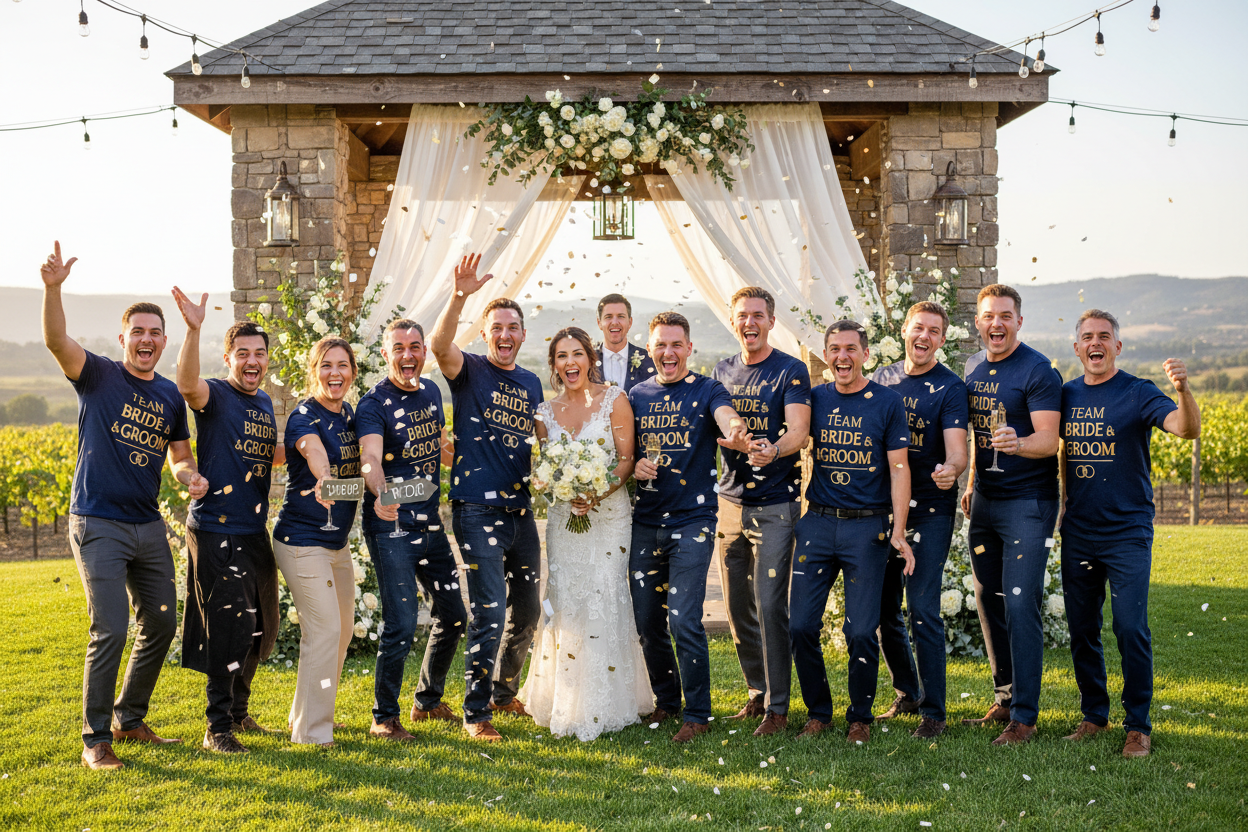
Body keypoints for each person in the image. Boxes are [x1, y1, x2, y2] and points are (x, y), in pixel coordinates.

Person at [41, 242, 205, 771]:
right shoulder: (99, 375)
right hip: (97, 523)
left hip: (147, 526)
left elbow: (179, 457)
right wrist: (52, 289)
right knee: (110, 627)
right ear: (123, 338)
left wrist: (189, 476)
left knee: (161, 623)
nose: (147, 340)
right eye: (138, 331)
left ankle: (129, 719)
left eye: (156, 333)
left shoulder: (167, 397)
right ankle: (95, 739)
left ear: (163, 342)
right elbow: (55, 341)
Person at [1059, 309, 1200, 758]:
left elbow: (1185, 428)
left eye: (1104, 336)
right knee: (1082, 630)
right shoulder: (1065, 395)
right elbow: (1051, 447)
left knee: (1129, 627)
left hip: (1127, 532)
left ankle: (1138, 725)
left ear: (1117, 347)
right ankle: (1094, 716)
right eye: (1087, 337)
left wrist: (1183, 391)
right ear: (1077, 348)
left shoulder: (1138, 392)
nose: (1095, 343)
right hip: (1078, 531)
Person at [429, 254, 544, 742]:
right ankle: (477, 713)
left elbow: (548, 437)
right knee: (491, 611)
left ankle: (502, 690)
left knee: (528, 610)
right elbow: (437, 344)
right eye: (496, 326)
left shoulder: (532, 381)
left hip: (520, 510)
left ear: (521, 335)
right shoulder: (469, 370)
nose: (504, 333)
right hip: (476, 508)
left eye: (512, 327)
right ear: (484, 334)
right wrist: (459, 295)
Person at [518, 326, 653, 740]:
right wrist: (560, 487)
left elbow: (626, 459)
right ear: (554, 364)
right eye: (562, 356)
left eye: (577, 354)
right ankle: (565, 697)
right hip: (565, 520)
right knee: (566, 600)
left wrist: (595, 491)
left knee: (605, 596)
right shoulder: (543, 413)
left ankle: (608, 700)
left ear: (590, 359)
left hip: (609, 517)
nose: (570, 363)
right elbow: (545, 467)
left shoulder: (615, 399)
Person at [628, 311, 751, 744]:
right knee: (647, 622)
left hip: (693, 522)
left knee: (684, 619)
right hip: (644, 523)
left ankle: (697, 714)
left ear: (689, 348)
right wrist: (633, 467)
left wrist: (736, 432)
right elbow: (623, 451)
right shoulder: (635, 394)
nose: (668, 352)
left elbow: (726, 416)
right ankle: (667, 701)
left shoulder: (707, 389)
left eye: (676, 344)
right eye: (660, 344)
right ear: (649, 350)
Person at [789, 320, 914, 744]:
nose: (842, 356)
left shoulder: (887, 402)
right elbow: (792, 435)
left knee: (861, 630)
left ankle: (859, 716)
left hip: (867, 528)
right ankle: (818, 713)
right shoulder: (814, 398)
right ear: (826, 355)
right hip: (819, 523)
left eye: (850, 349)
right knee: (801, 625)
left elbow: (899, 469)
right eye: (834, 349)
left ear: (864, 355)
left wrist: (898, 530)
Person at [172, 288, 283, 754]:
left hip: (254, 530)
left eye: (259, 354)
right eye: (243, 354)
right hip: (216, 528)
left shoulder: (262, 406)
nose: (252, 361)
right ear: (229, 358)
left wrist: (330, 452)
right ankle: (216, 727)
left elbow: (270, 458)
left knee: (260, 626)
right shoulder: (214, 394)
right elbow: (185, 384)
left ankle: (239, 712)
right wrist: (194, 329)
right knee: (228, 625)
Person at [960, 283, 1062, 746]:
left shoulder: (1039, 371)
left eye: (1005, 315)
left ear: (1019, 321)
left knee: (1020, 603)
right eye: (988, 316)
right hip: (985, 501)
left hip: (1028, 504)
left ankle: (1026, 716)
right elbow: (977, 436)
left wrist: (1017, 443)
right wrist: (970, 483)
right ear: (978, 322)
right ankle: (1004, 698)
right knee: (987, 599)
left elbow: (1049, 440)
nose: (996, 324)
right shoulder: (972, 367)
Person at [357, 319, 465, 742]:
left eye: (415, 346)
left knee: (454, 614)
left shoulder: (432, 392)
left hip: (430, 522)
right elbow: (370, 456)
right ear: (386, 354)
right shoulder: (373, 404)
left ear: (424, 352)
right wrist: (381, 493)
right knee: (401, 623)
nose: (408, 355)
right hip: (391, 525)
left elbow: (436, 445)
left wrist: (457, 453)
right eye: (398, 347)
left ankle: (428, 701)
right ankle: (384, 717)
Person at [710, 287, 811, 736]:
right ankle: (756, 690)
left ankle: (779, 706)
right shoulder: (722, 370)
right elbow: (723, 416)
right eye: (742, 316)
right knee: (737, 605)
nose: (749, 323)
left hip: (775, 505)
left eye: (757, 315)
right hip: (730, 502)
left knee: (770, 604)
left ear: (771, 321)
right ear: (733, 322)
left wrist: (774, 448)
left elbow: (800, 431)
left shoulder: (790, 369)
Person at [872, 301, 968, 739]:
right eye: (917, 328)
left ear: (942, 340)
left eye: (933, 331)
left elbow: (957, 450)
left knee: (924, 607)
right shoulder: (882, 379)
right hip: (882, 509)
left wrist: (952, 470)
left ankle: (935, 713)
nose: (924, 336)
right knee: (882, 607)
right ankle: (907, 693)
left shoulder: (950, 388)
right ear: (905, 331)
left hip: (930, 510)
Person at [272, 337, 361, 747]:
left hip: (335, 544)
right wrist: (324, 477)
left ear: (353, 372)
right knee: (324, 631)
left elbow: (357, 478)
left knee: (340, 632)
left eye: (342, 365)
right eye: (326, 365)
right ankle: (311, 733)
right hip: (300, 540)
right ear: (314, 371)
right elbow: (312, 451)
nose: (335, 373)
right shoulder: (303, 415)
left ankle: (306, 716)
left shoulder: (350, 415)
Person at [596, 293, 655, 391]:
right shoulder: (587, 361)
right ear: (599, 323)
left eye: (621, 316)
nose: (615, 322)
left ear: (630, 322)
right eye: (608, 317)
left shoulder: (649, 360)